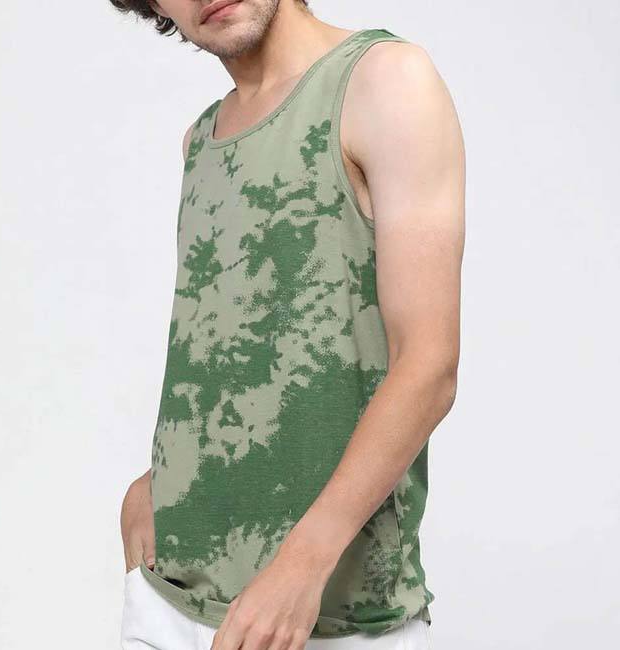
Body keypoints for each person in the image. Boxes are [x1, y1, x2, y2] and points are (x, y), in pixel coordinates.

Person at [112, 1, 465, 648]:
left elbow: (429, 366)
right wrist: (159, 481)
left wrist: (303, 564)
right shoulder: (200, 139)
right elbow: (227, 340)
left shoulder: (385, 80)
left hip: (323, 615)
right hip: (172, 598)